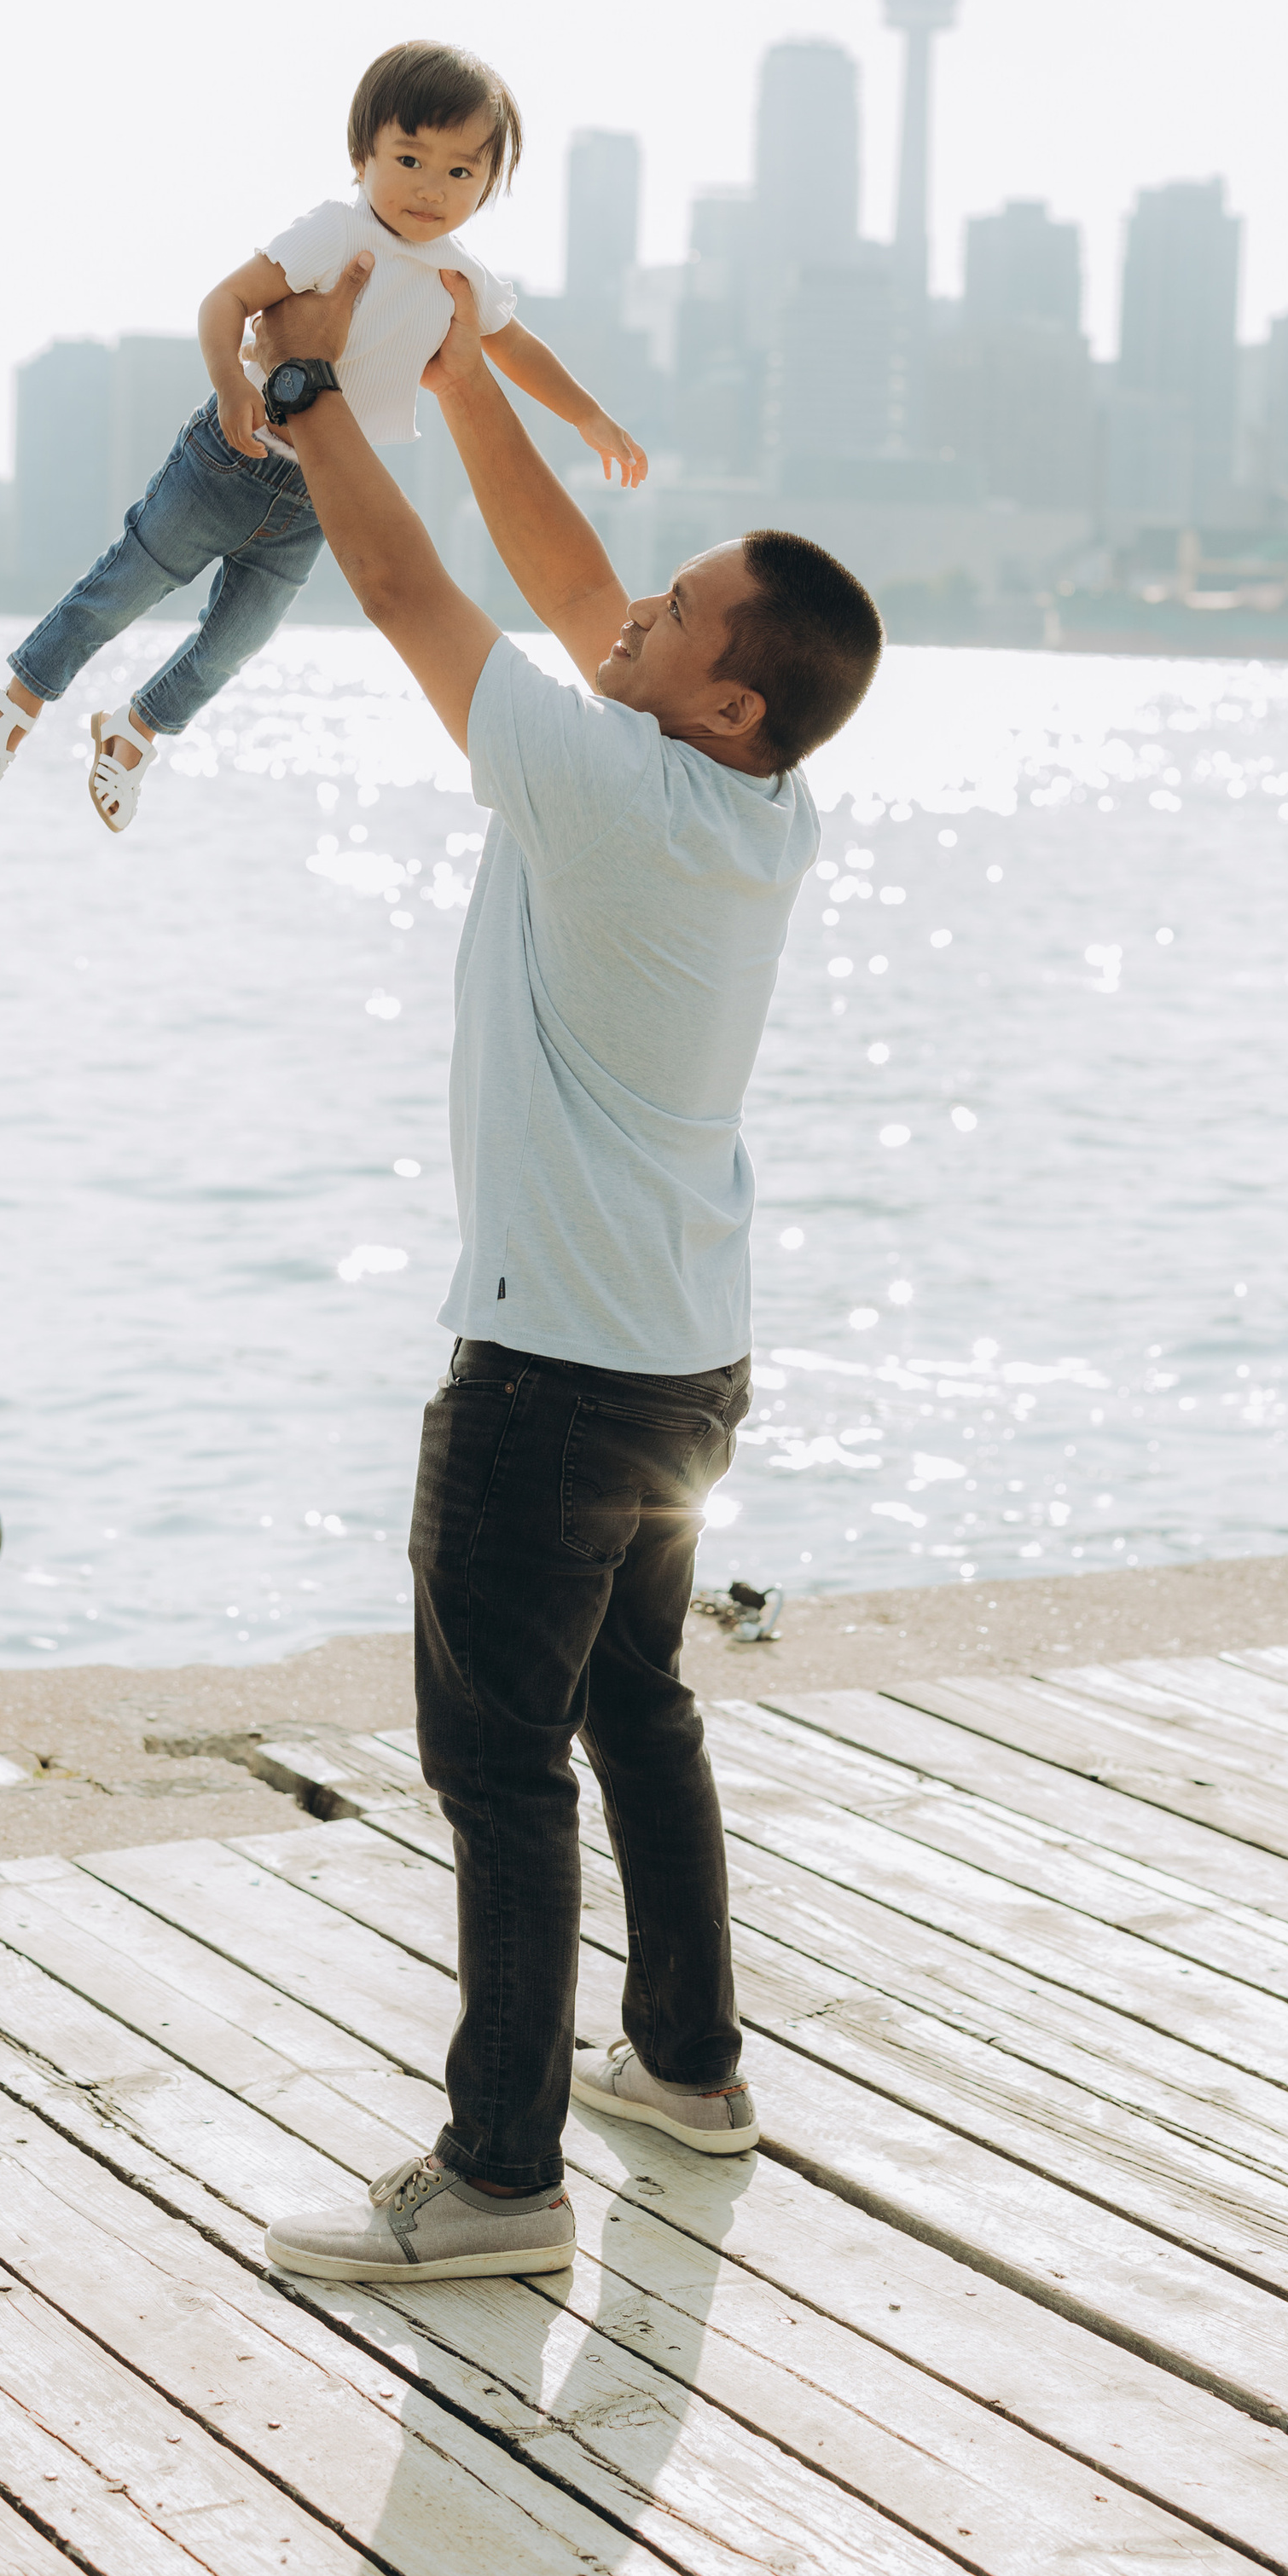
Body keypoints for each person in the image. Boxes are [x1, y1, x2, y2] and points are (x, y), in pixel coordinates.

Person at [250, 257, 883, 2285]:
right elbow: (556, 565)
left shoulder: (603, 777)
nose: (626, 607)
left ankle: (498, 2179)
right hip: (682, 1362)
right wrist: (451, 372)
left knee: (500, 1767)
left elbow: (412, 589)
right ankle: (685, 2068)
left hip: (546, 1381)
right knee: (636, 1707)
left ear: (716, 690)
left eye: (670, 609)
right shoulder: (752, 800)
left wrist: (304, 393)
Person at [0, 40, 644, 833]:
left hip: (321, 493)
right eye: (410, 158)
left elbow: (516, 350)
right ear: (361, 152)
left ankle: (136, 730)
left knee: (236, 643)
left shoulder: (462, 275)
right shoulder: (336, 233)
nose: (431, 188)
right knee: (125, 587)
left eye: (461, 171)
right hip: (229, 458)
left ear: (489, 182)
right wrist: (229, 383)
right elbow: (225, 300)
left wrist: (587, 416)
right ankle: (14, 708)